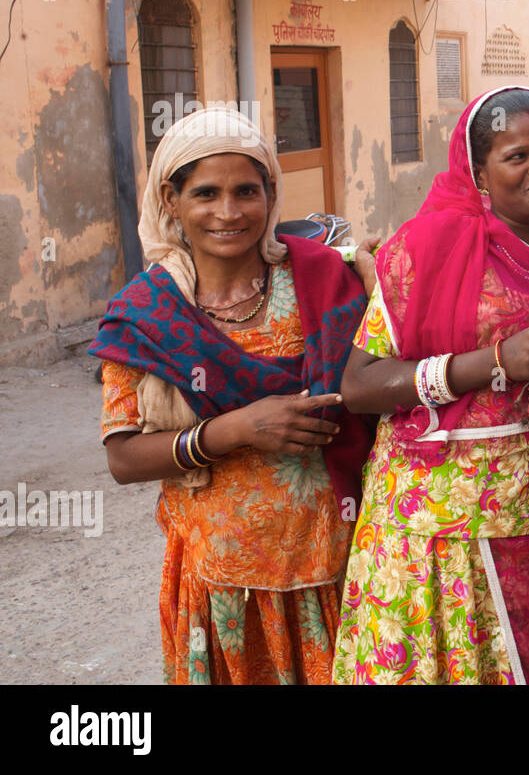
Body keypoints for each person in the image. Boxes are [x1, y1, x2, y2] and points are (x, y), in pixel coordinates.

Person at [332, 86, 529, 685]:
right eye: (518, 155)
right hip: (426, 528)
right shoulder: (422, 251)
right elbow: (360, 385)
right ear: (479, 172)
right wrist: (495, 361)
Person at [89, 107, 374, 684]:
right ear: (171, 200)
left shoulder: (329, 280)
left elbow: (392, 376)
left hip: (336, 566)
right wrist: (239, 429)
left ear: (271, 193)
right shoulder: (146, 316)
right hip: (221, 583)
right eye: (206, 193)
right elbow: (122, 457)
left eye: (247, 190)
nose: (229, 212)